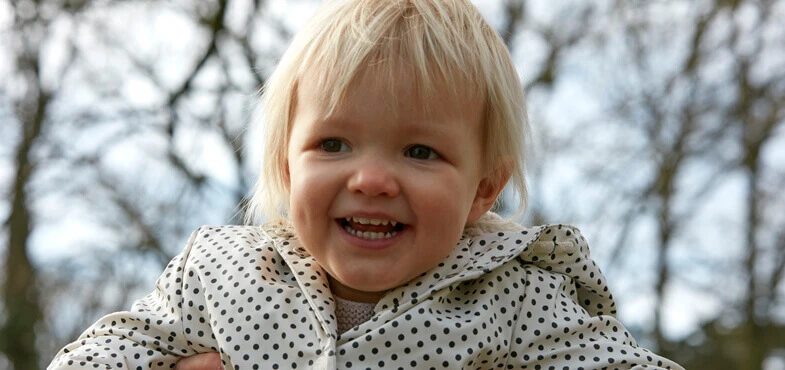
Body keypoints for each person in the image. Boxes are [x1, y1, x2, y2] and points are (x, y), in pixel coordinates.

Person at [49, 0, 683, 369]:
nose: (372, 179)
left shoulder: (515, 294)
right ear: (287, 165)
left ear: (485, 188)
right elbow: (116, 348)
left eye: (419, 151)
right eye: (333, 144)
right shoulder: (219, 269)